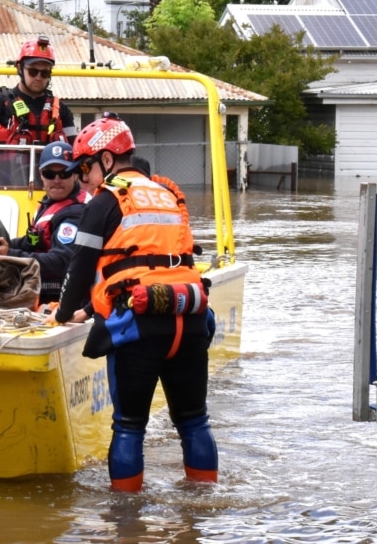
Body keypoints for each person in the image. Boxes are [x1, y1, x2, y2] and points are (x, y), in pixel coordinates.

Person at [54, 113, 218, 493]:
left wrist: (63, 314)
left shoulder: (105, 200)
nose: (82, 179)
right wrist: (91, 309)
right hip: (189, 315)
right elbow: (154, 264)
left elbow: (80, 268)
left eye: (85, 169)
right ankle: (203, 509)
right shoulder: (168, 195)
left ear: (107, 161)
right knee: (194, 421)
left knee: (129, 425)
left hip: (141, 325)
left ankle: (126, 520)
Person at [0, 141, 90, 303]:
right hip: (42, 288)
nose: (57, 180)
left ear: (75, 174)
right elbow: (32, 241)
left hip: (61, 297)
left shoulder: (76, 213)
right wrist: (2, 244)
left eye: (64, 173)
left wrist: (10, 255)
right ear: (40, 174)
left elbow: (61, 263)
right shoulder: (48, 203)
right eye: (49, 174)